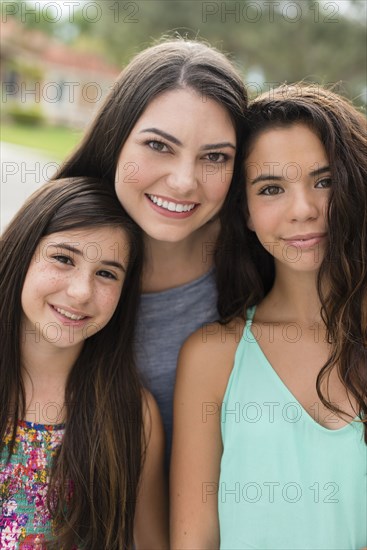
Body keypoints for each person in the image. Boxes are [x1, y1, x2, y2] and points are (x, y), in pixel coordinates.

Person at [170, 84, 367, 549]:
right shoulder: (212, 358)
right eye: (272, 188)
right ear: (247, 212)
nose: (304, 210)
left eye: (324, 181)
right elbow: (193, 540)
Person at [55, 38, 248, 461]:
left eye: (214, 157)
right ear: (115, 138)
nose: (183, 181)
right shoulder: (49, 252)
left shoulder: (260, 261)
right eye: (159, 145)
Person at [0, 178, 168, 549]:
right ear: (21, 251)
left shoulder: (132, 415)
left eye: (107, 273)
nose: (81, 292)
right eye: (63, 259)